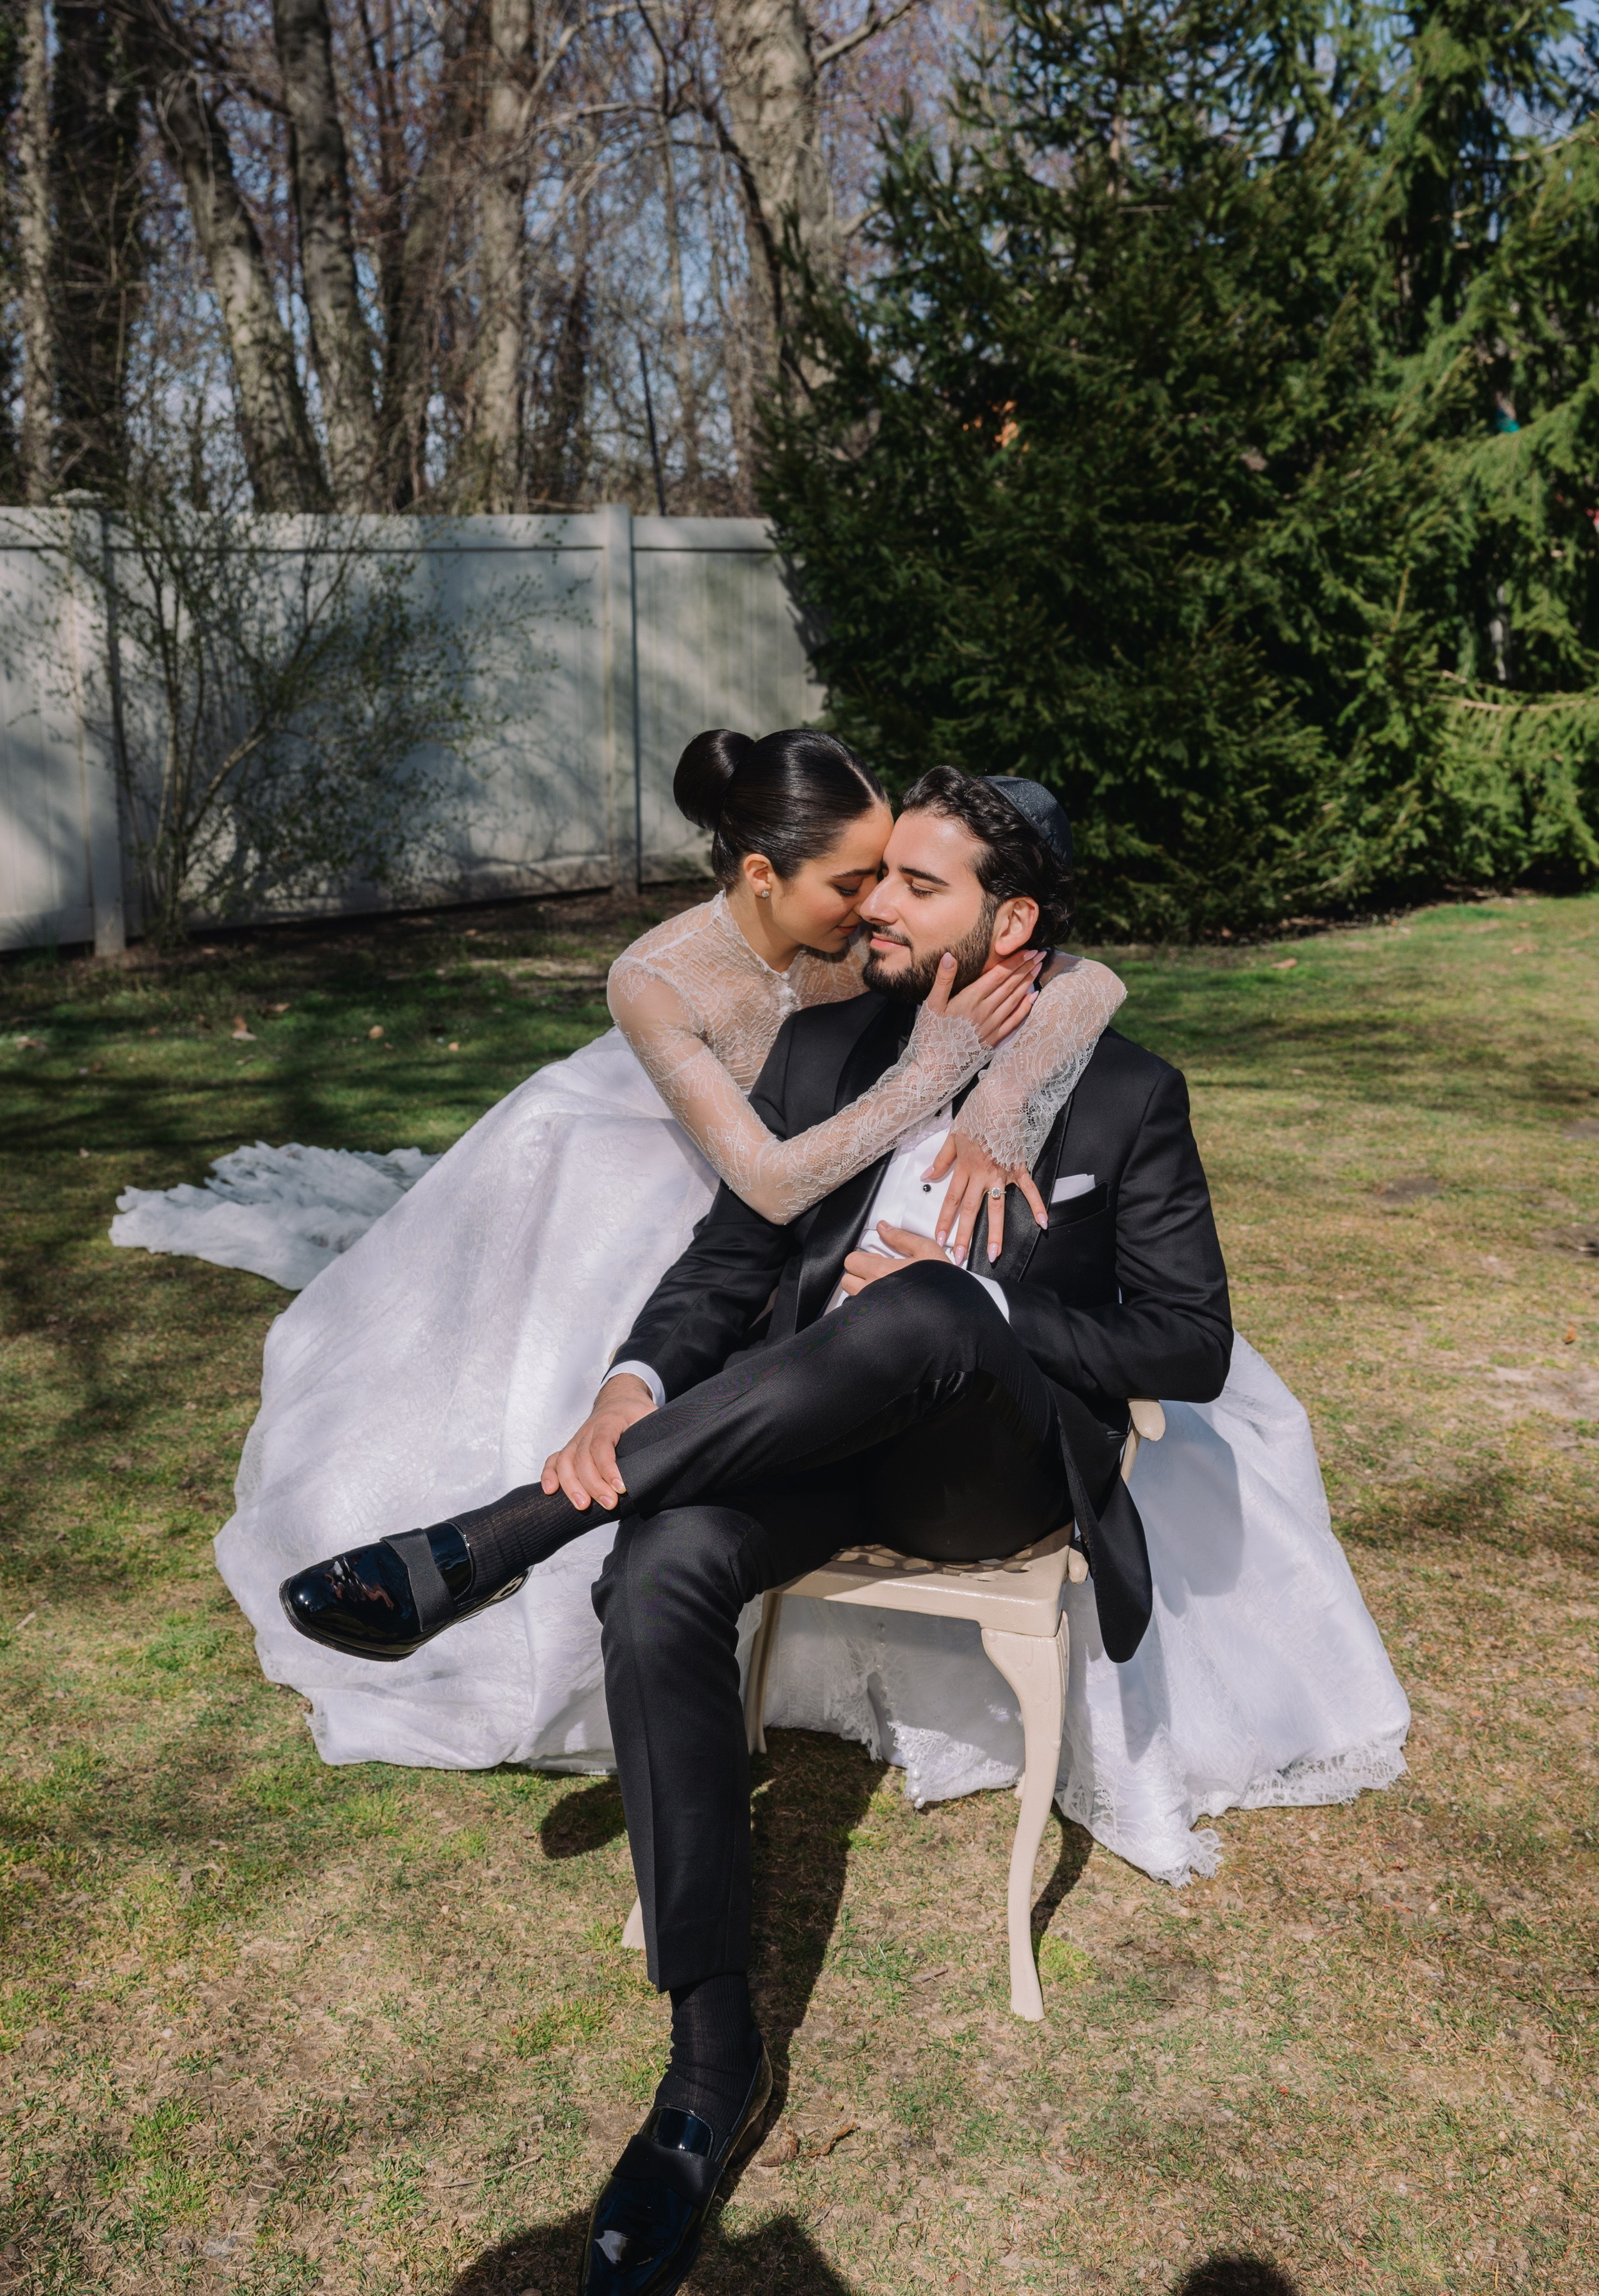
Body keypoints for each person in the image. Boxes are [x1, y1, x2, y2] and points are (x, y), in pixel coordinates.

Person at [279, 770, 1408, 2296]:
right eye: (876, 883)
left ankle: (490, 1540)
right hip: (797, 1443)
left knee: (941, 1302)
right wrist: (627, 1390)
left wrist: (992, 1312)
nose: (873, 907)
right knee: (660, 1566)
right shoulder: (826, 1052)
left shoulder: (1126, 1088)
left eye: (917, 888)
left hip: (979, 1469)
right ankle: (705, 2072)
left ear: (1010, 922)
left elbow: (1185, 1345)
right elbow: (723, 1262)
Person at [217, 729, 1126, 1766]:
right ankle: (547, 1595)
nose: (878, 904)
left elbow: (1081, 975)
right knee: (600, 1383)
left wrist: (999, 1095)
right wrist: (934, 1072)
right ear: (761, 875)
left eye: (891, 875)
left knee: (829, 1346)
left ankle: (503, 1538)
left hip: (832, 1179)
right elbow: (770, 1184)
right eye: (854, 879)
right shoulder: (658, 977)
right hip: (705, 1177)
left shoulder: (863, 951)